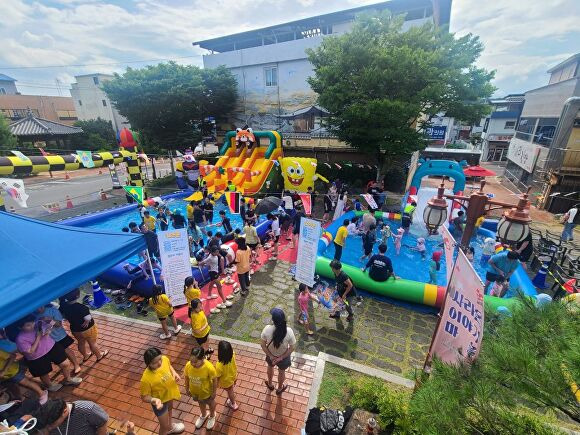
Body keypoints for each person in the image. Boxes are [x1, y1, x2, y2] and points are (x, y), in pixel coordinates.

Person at [15, 315, 82, 392]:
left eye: (32, 323)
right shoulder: (20, 339)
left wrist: (49, 322)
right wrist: (38, 337)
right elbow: (30, 351)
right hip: (37, 357)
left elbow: (55, 325)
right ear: (20, 328)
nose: (32, 326)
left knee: (65, 363)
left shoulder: (38, 324)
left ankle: (68, 379)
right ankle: (49, 386)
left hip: (51, 347)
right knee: (44, 373)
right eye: (28, 325)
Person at [140, 348, 184, 435]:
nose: (159, 363)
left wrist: (174, 372)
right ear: (148, 364)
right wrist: (155, 400)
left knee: (170, 410)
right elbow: (144, 397)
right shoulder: (146, 378)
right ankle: (167, 428)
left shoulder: (164, 359)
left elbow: (169, 365)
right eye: (155, 363)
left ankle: (170, 427)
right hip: (160, 404)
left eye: (160, 359)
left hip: (169, 395)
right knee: (163, 427)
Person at [59, 290, 108, 363]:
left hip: (75, 330)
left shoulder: (63, 306)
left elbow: (62, 315)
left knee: (81, 343)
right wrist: (87, 321)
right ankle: (99, 355)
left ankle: (85, 355)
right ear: (77, 296)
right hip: (88, 329)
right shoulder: (82, 307)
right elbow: (88, 318)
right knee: (92, 343)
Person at [36, 304, 81, 375]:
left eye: (40, 306)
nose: (38, 310)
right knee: (57, 354)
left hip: (59, 336)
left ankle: (76, 364)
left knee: (67, 350)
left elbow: (59, 324)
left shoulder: (53, 311)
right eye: (35, 308)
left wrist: (49, 320)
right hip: (48, 340)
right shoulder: (33, 315)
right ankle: (64, 367)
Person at [260, 308, 296, 395]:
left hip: (270, 355)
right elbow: (292, 348)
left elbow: (263, 345)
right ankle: (279, 389)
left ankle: (270, 384)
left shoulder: (267, 329)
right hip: (283, 357)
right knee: (281, 372)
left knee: (270, 367)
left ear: (273, 320)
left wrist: (271, 356)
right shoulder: (289, 331)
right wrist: (281, 357)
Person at [184, 347, 218, 430]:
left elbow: (214, 380)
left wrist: (214, 392)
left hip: (207, 392)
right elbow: (186, 377)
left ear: (203, 358)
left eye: (195, 362)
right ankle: (204, 414)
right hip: (195, 392)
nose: (192, 363)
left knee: (210, 403)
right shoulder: (188, 365)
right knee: (200, 403)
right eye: (191, 361)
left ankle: (212, 415)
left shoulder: (209, 367)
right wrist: (187, 388)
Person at [34, 398, 109, 435]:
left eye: (52, 424)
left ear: (64, 411)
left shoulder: (87, 409)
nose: (49, 427)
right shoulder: (47, 414)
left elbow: (102, 423)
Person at [199, 246, 231, 312]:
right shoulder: (210, 257)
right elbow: (202, 262)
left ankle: (209, 295)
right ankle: (224, 301)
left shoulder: (216, 254)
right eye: (216, 252)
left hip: (216, 271)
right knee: (219, 287)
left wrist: (221, 257)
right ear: (212, 252)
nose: (218, 253)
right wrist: (200, 264)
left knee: (212, 283)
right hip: (213, 273)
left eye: (218, 251)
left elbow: (220, 256)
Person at [215, 340, 239, 410]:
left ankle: (233, 403)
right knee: (231, 387)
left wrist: (216, 385)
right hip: (234, 375)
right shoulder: (233, 354)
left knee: (230, 391)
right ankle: (231, 398)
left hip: (226, 381)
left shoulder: (219, 364)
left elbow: (218, 376)